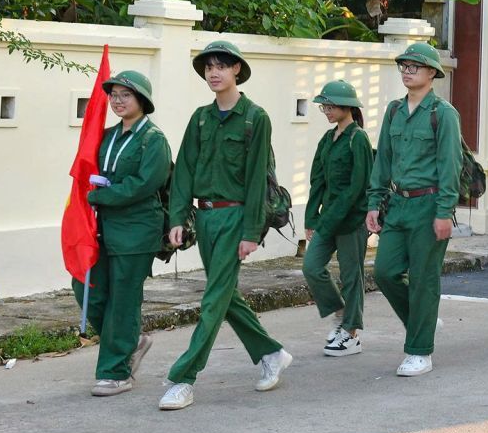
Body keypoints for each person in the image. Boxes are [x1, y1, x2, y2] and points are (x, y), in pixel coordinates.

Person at [159, 41, 290, 410]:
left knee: (214, 298)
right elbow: (184, 170)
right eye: (208, 67)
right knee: (225, 294)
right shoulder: (200, 118)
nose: (213, 73)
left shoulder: (255, 118)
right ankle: (270, 352)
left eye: (221, 66)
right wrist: (178, 217)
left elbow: (257, 178)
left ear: (236, 70)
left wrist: (251, 232)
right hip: (205, 217)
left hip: (235, 217)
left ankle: (184, 377)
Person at [365, 40, 463, 378]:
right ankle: (424, 320)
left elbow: (450, 165)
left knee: (423, 280)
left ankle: (419, 352)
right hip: (397, 204)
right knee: (384, 272)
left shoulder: (443, 114)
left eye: (415, 66)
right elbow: (383, 160)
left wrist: (444, 211)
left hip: (429, 204)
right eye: (404, 66)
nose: (407, 71)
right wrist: (374, 203)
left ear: (432, 73)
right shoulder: (394, 111)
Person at [79, 70, 171, 397]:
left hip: (136, 231)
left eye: (125, 95)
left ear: (141, 99)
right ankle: (130, 341)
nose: (117, 101)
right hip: (101, 229)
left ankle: (116, 373)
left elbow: (144, 184)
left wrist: (100, 196)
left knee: (123, 300)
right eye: (113, 95)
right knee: (86, 288)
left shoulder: (153, 140)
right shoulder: (107, 136)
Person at [302, 80, 373, 359]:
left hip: (351, 220)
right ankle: (341, 312)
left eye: (331, 106)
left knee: (351, 275)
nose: (327, 111)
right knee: (311, 266)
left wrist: (330, 218)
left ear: (348, 107)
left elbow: (358, 187)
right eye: (324, 107)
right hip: (328, 218)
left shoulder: (358, 139)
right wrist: (311, 217)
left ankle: (351, 333)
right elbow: (317, 179)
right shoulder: (327, 138)